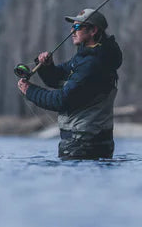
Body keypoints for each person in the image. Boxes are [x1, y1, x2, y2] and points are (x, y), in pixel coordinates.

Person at [17, 8, 123, 160]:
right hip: (98, 143)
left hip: (81, 145)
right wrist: (47, 67)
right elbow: (57, 79)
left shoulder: (92, 64)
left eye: (77, 27)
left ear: (93, 30)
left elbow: (62, 100)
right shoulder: (91, 56)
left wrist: (29, 91)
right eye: (72, 26)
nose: (72, 31)